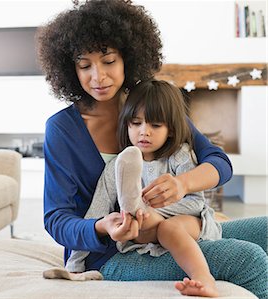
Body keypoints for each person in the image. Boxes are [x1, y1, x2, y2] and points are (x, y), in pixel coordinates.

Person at [36, 0, 268, 298]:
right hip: (111, 255)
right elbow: (57, 218)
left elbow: (218, 162)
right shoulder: (63, 129)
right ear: (70, 68)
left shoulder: (152, 107)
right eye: (84, 65)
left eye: (108, 61)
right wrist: (102, 227)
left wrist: (182, 184)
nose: (98, 77)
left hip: (176, 231)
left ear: (128, 58)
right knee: (247, 259)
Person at [64, 79, 222, 297]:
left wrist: (154, 212)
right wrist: (74, 264)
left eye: (155, 125)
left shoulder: (179, 156)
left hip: (188, 223)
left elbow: (196, 203)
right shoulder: (116, 167)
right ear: (126, 124)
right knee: (132, 223)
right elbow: (95, 214)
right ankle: (137, 210)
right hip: (144, 232)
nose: (144, 132)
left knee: (167, 227)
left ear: (171, 130)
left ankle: (205, 279)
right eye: (136, 123)